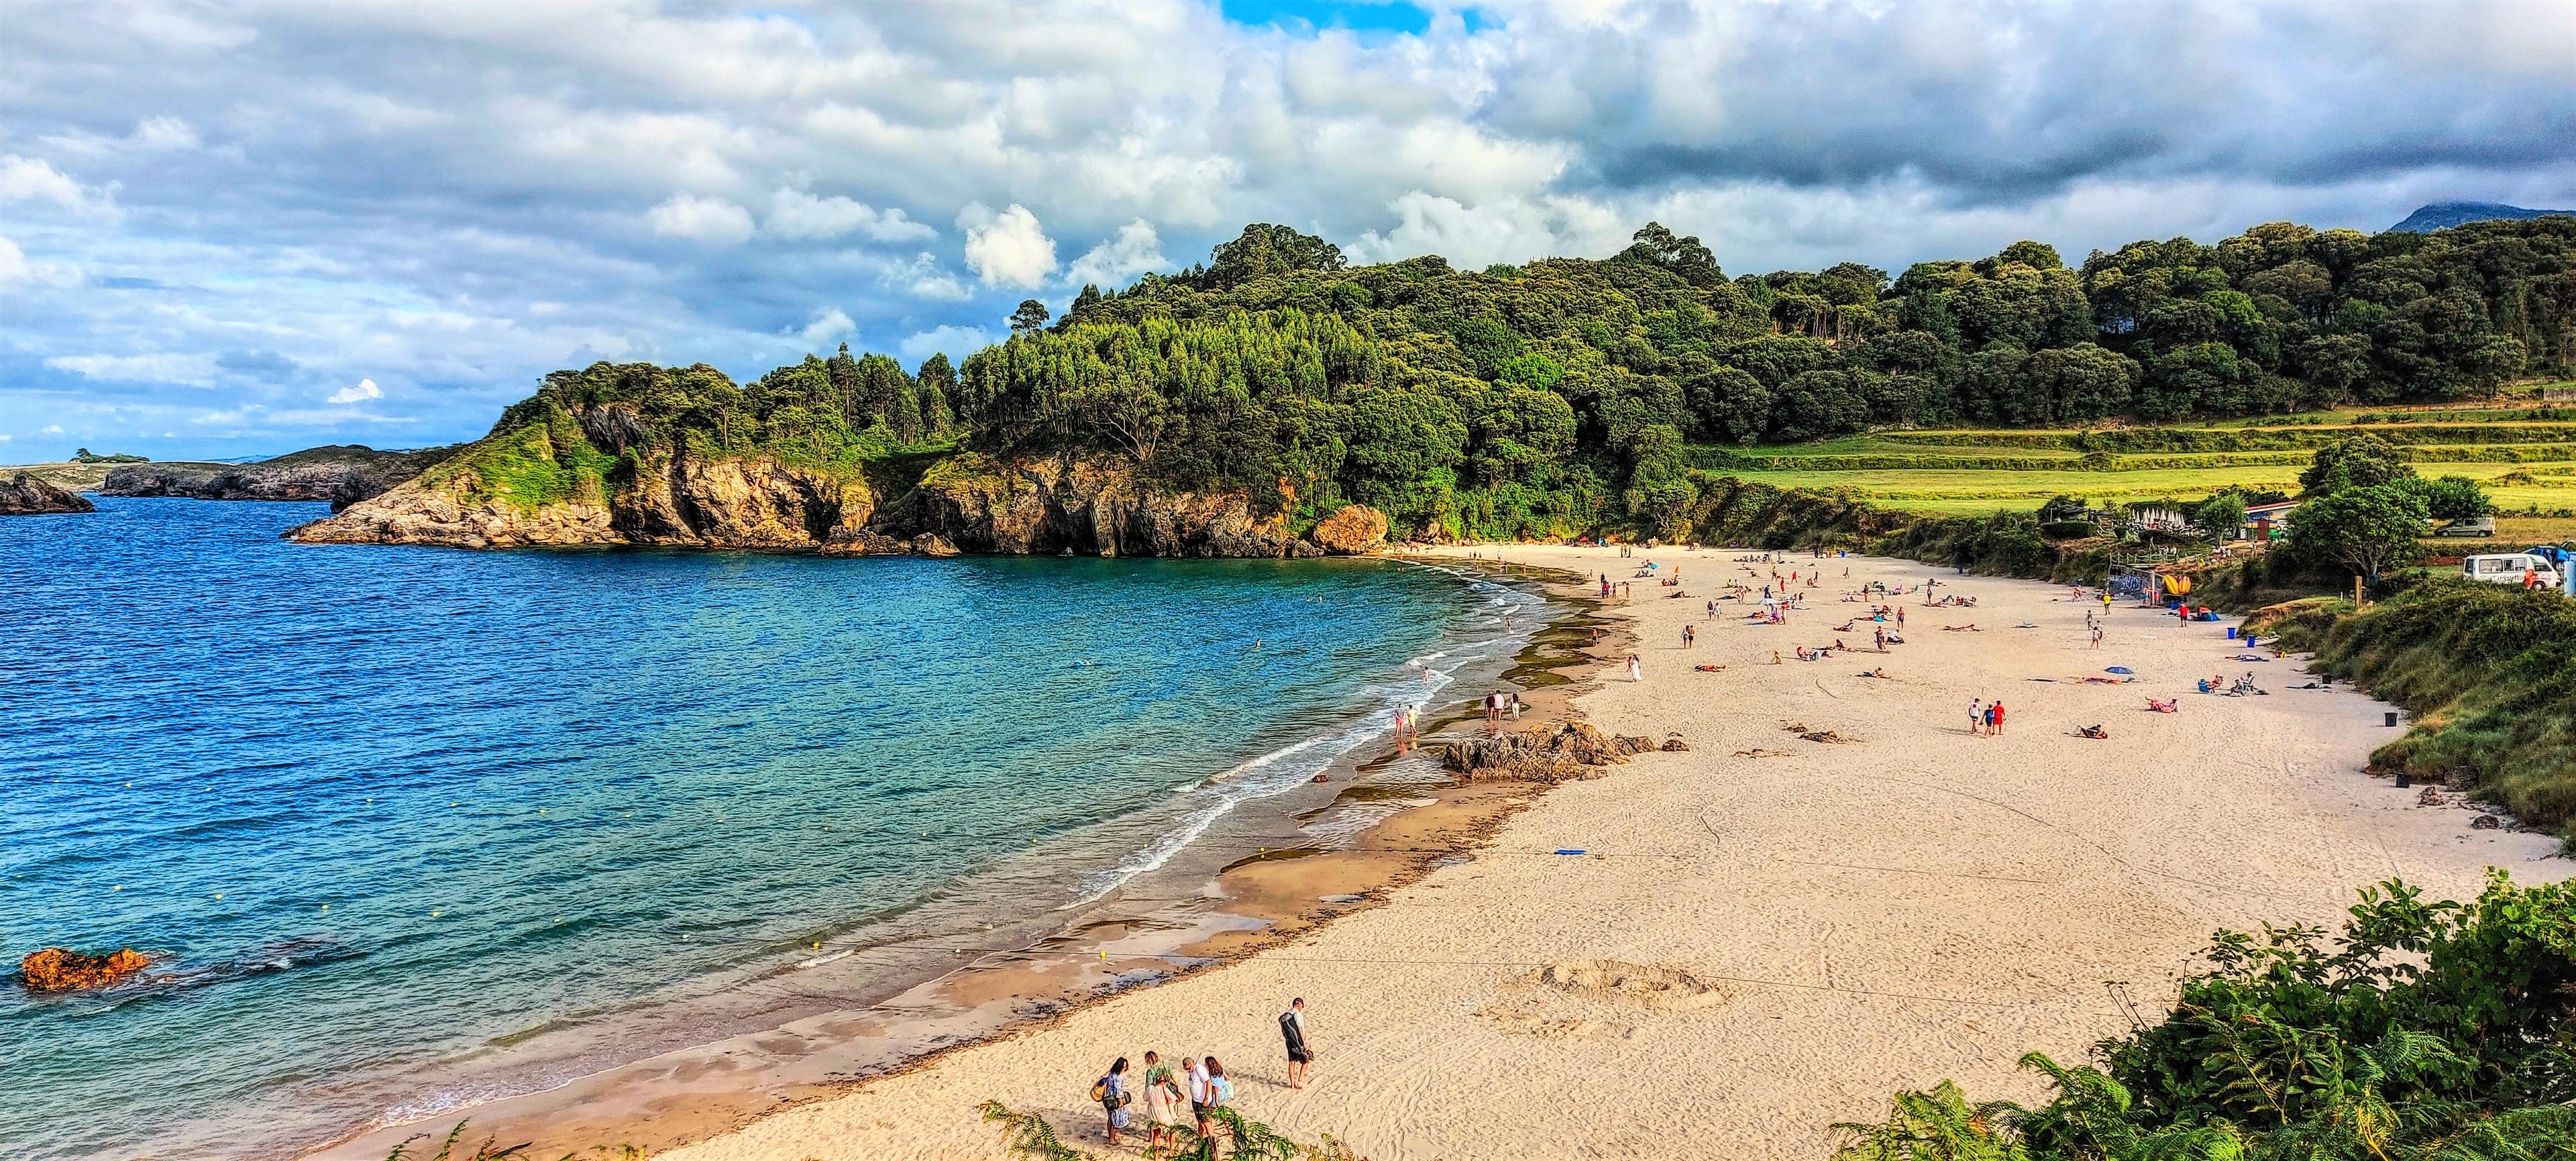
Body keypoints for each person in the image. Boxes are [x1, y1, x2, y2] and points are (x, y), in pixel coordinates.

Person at [1140, 1051, 1183, 1151]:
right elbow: (1172, 1076)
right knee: (1169, 1117)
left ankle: (1152, 1138)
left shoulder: (1151, 1071)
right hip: (1168, 1093)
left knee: (1155, 1122)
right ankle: (1168, 1138)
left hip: (1158, 1096)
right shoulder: (1165, 1064)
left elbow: (1148, 1085)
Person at [1095, 1057, 1131, 1146]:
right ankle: (1112, 1139)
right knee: (1117, 1120)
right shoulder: (1118, 1078)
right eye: (1124, 1067)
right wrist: (1121, 1102)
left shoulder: (1111, 1073)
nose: (1125, 1069)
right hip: (1114, 1099)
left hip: (1108, 1098)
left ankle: (1110, 1136)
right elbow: (1118, 1091)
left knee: (1111, 1118)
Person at [1280, 997, 1314, 1087]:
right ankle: (1300, 1081)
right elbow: (1300, 1029)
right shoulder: (1297, 1014)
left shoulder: (1287, 1015)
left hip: (1289, 1042)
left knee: (1292, 1063)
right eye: (1302, 1006)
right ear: (1299, 1005)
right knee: (1306, 1061)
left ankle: (1292, 1086)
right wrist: (1304, 1043)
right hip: (1298, 1042)